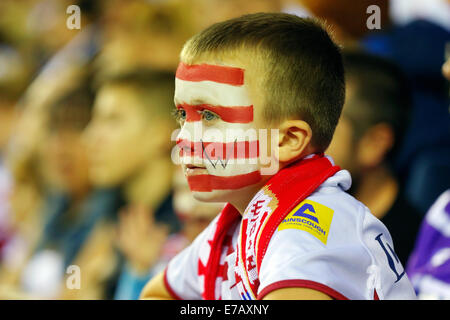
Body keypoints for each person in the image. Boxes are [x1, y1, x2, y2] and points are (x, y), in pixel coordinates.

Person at [141, 13, 416, 300]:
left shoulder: (315, 224)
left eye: (210, 115)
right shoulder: (237, 221)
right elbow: (156, 294)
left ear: (287, 140)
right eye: (183, 115)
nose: (183, 138)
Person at [326, 50, 423, 266]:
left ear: (375, 143)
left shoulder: (411, 256)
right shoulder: (294, 222)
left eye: (325, 128)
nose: (302, 143)